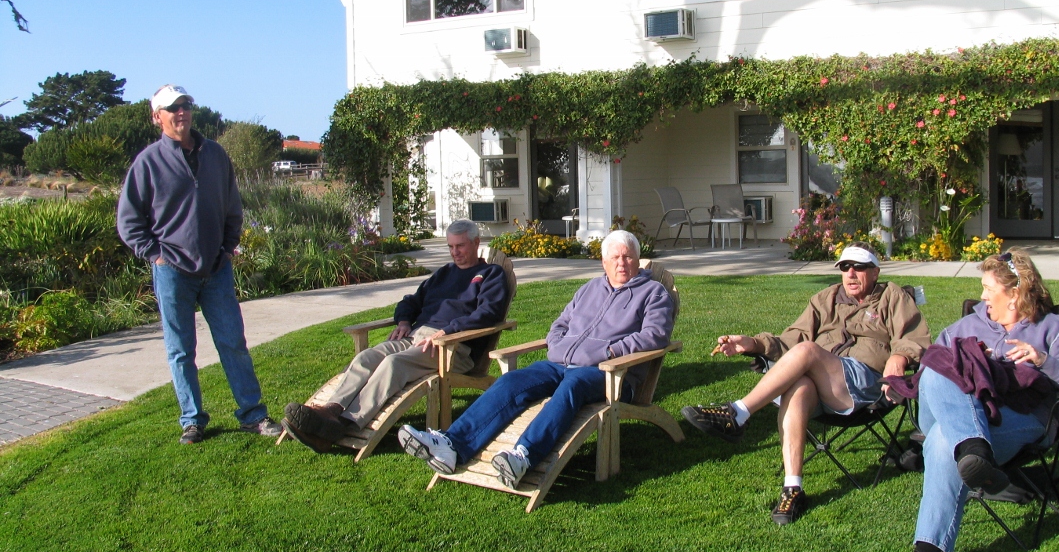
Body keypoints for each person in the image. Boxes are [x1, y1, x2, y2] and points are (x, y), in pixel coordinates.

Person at [875, 249, 1059, 552]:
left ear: (1015, 293)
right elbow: (929, 373)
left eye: (988, 288)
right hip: (954, 412)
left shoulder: (1054, 328)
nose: (981, 296)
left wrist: (1043, 361)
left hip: (1019, 418)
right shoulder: (967, 325)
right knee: (941, 367)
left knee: (940, 440)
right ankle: (975, 450)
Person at [399, 229, 673, 488]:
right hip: (559, 363)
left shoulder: (653, 293)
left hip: (611, 374)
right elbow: (559, 325)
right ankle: (452, 445)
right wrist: (557, 345)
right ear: (604, 262)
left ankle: (523, 456)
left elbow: (655, 336)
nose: (622, 263)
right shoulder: (589, 289)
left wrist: (610, 352)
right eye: (615, 257)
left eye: (628, 256)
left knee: (572, 386)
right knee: (512, 382)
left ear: (638, 260)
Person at [681, 243, 931, 525]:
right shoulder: (825, 299)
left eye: (859, 267)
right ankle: (793, 487)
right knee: (799, 386)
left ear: (875, 272)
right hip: (823, 385)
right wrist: (751, 344)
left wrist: (899, 357)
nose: (850, 273)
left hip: (865, 384)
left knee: (808, 351)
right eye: (845, 267)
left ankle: (738, 413)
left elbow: (913, 338)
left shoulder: (891, 296)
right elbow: (791, 340)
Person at [116, 84, 282, 444]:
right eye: (172, 108)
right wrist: (155, 254)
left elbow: (232, 207)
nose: (181, 113)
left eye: (186, 105)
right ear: (156, 117)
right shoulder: (147, 163)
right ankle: (192, 420)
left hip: (216, 270)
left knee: (233, 342)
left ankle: (253, 416)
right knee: (181, 351)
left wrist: (227, 248)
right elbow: (129, 221)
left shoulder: (216, 155)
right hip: (172, 272)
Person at [282, 219, 509, 451]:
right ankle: (331, 410)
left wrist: (448, 331)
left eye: (460, 246)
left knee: (393, 364)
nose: (455, 252)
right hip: (415, 337)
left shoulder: (491, 273)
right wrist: (403, 321)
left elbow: (489, 313)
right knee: (366, 358)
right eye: (450, 247)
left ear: (476, 242)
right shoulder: (444, 273)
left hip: (452, 347)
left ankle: (344, 423)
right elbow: (411, 301)